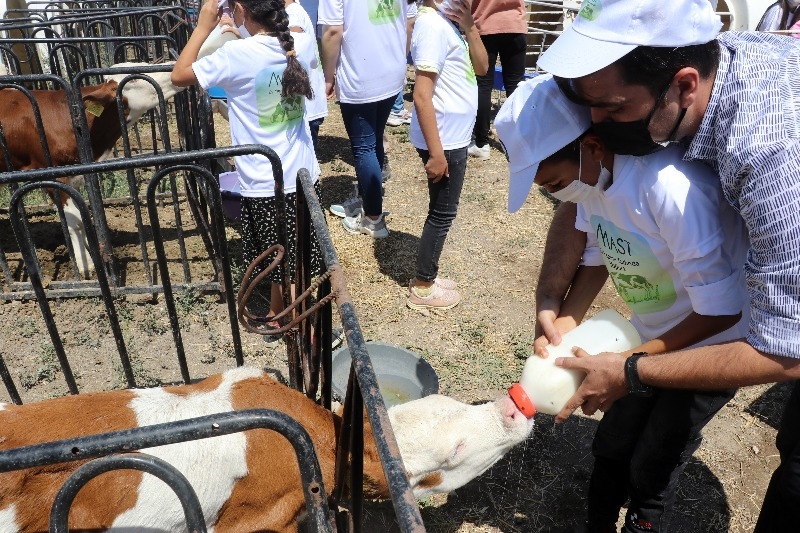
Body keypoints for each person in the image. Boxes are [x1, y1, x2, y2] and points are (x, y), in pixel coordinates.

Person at [530, 1, 800, 531]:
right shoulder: (721, 66)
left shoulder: (769, 153)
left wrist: (631, 368)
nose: (597, 129)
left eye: (610, 109)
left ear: (683, 85)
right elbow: (584, 201)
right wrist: (556, 304)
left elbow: (787, 349)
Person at [497, 73, 750, 532]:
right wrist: (564, 322)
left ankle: (643, 521)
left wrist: (628, 365)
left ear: (591, 147)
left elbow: (723, 310)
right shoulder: (596, 183)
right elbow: (599, 255)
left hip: (710, 347)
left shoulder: (668, 190)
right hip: (648, 333)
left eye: (553, 181)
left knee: (653, 463)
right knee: (611, 443)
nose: (555, 195)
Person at [172, 0, 323, 330]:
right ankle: (275, 312)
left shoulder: (235, 57)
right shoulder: (297, 38)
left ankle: (302, 330)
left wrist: (202, 28)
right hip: (303, 172)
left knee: (281, 260)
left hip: (265, 182)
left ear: (240, 9)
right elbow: (268, 46)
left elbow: (179, 74)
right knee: (292, 254)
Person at [407, 0, 487, 310]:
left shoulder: (448, 22)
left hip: (452, 136)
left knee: (442, 210)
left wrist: (470, 27)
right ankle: (423, 286)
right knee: (442, 212)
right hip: (444, 139)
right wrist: (437, 154)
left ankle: (427, 277)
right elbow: (421, 95)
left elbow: (482, 68)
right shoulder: (430, 24)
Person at [319, 0, 412, 239]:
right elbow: (410, 21)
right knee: (374, 142)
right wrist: (398, 58)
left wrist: (328, 76)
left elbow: (332, 31)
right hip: (392, 72)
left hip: (361, 77)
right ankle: (367, 199)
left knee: (364, 147)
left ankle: (372, 218)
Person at [466, 0, 527, 161]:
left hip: (485, 25)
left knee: (483, 84)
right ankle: (520, 143)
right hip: (515, 24)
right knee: (516, 87)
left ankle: (481, 143)